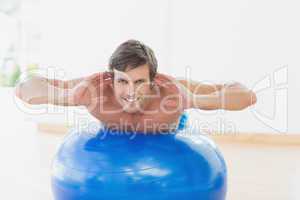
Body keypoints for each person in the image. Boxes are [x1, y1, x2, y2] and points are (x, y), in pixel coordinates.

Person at [15, 40, 257, 133]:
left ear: (153, 79)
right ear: (111, 78)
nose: (130, 92)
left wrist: (196, 101)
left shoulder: (173, 92)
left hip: (170, 134)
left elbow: (246, 96)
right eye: (122, 81)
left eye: (140, 82)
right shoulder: (92, 90)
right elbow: (25, 88)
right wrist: (54, 94)